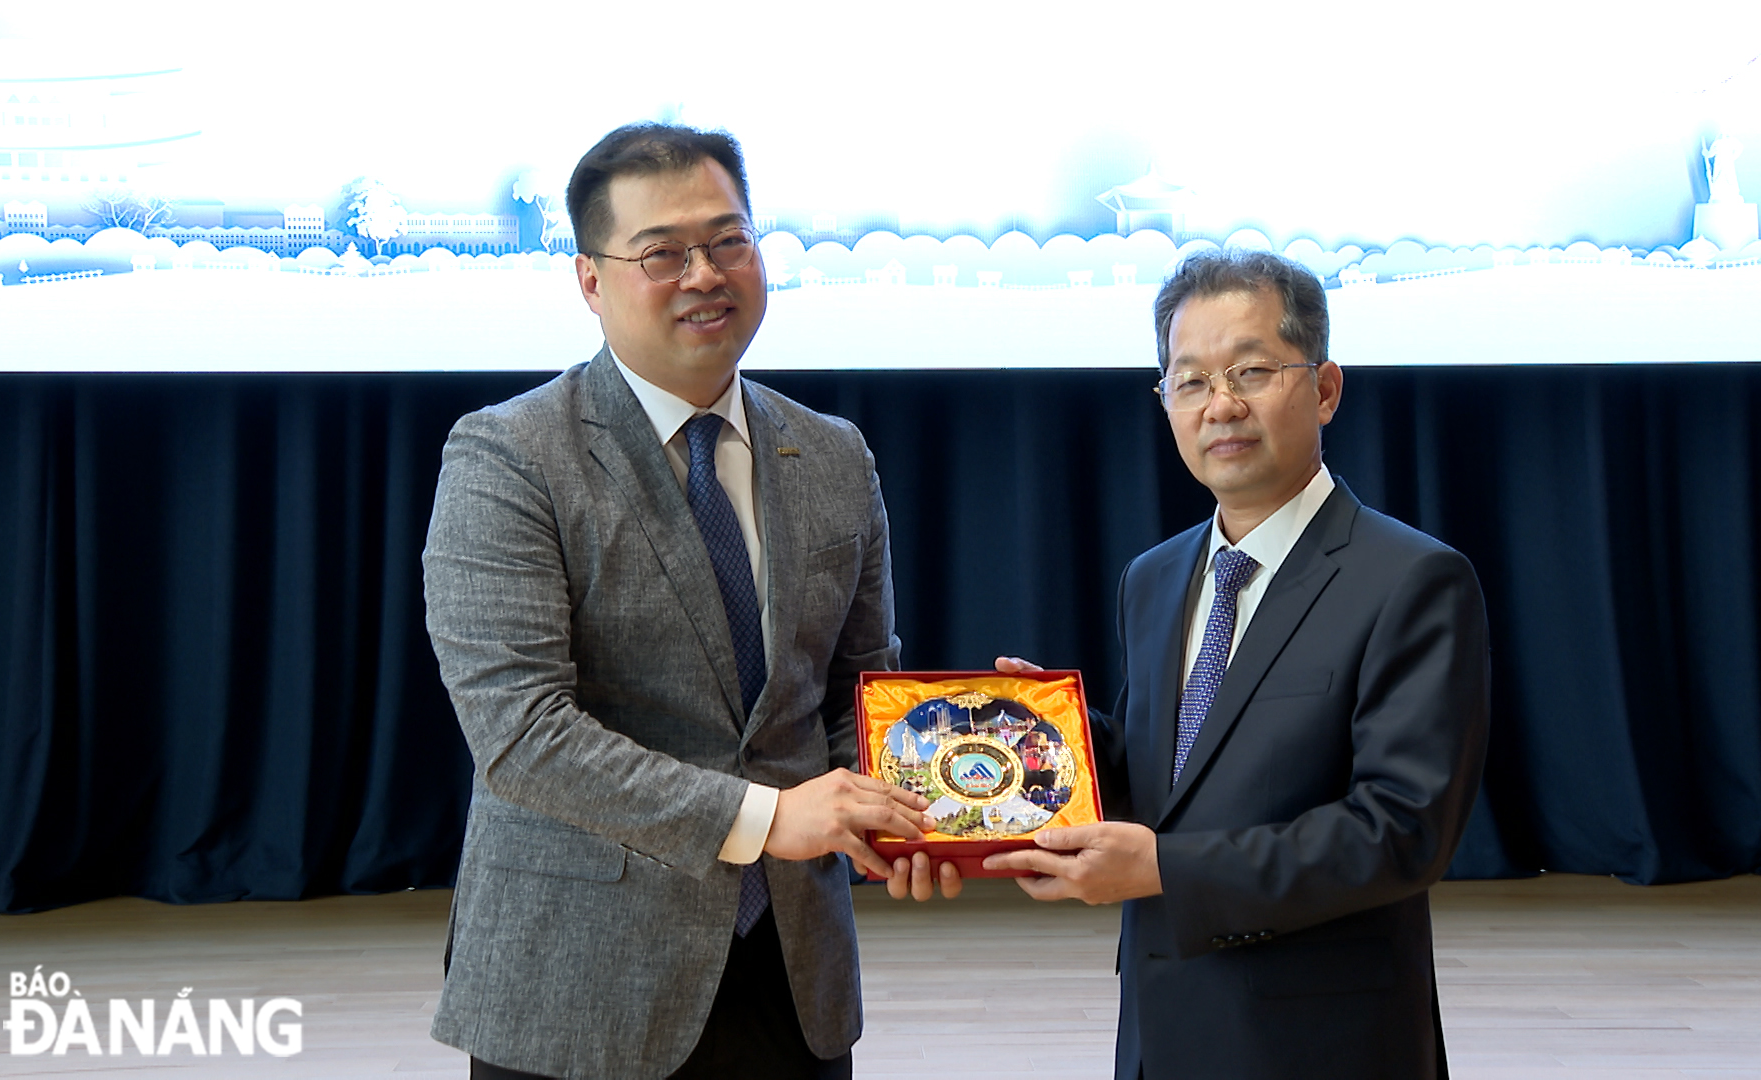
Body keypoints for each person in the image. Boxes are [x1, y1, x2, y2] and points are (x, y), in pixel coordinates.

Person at [422, 122, 935, 1080]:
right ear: (590, 278)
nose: (704, 273)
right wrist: (773, 819)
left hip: (794, 976)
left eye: (728, 241)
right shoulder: (507, 457)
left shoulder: (833, 454)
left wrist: (930, 797)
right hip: (579, 985)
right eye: (663, 253)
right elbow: (523, 733)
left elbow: (861, 698)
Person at [975, 250, 1491, 1078]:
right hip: (1159, 1025)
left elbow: (1402, 832)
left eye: (1250, 370)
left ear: (1324, 389)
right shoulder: (1153, 578)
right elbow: (1176, 774)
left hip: (1322, 1042)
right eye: (1190, 382)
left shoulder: (1412, 579)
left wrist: (1162, 869)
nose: (1221, 405)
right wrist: (1055, 737)